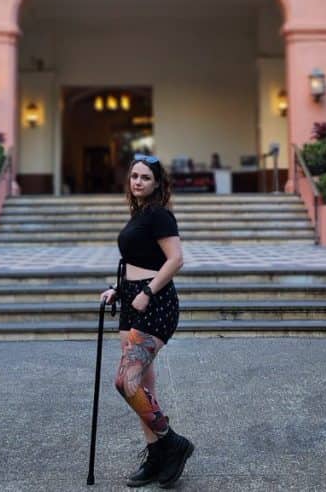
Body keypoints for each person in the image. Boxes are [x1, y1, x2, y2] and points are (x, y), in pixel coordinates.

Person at [100, 153, 194, 488]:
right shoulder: (139, 214)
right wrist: (118, 289)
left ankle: (172, 444)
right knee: (142, 389)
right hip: (131, 300)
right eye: (134, 176)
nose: (137, 182)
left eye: (145, 178)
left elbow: (176, 260)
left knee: (125, 382)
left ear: (157, 184)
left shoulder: (159, 216)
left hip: (154, 304)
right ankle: (156, 458)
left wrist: (149, 292)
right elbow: (138, 260)